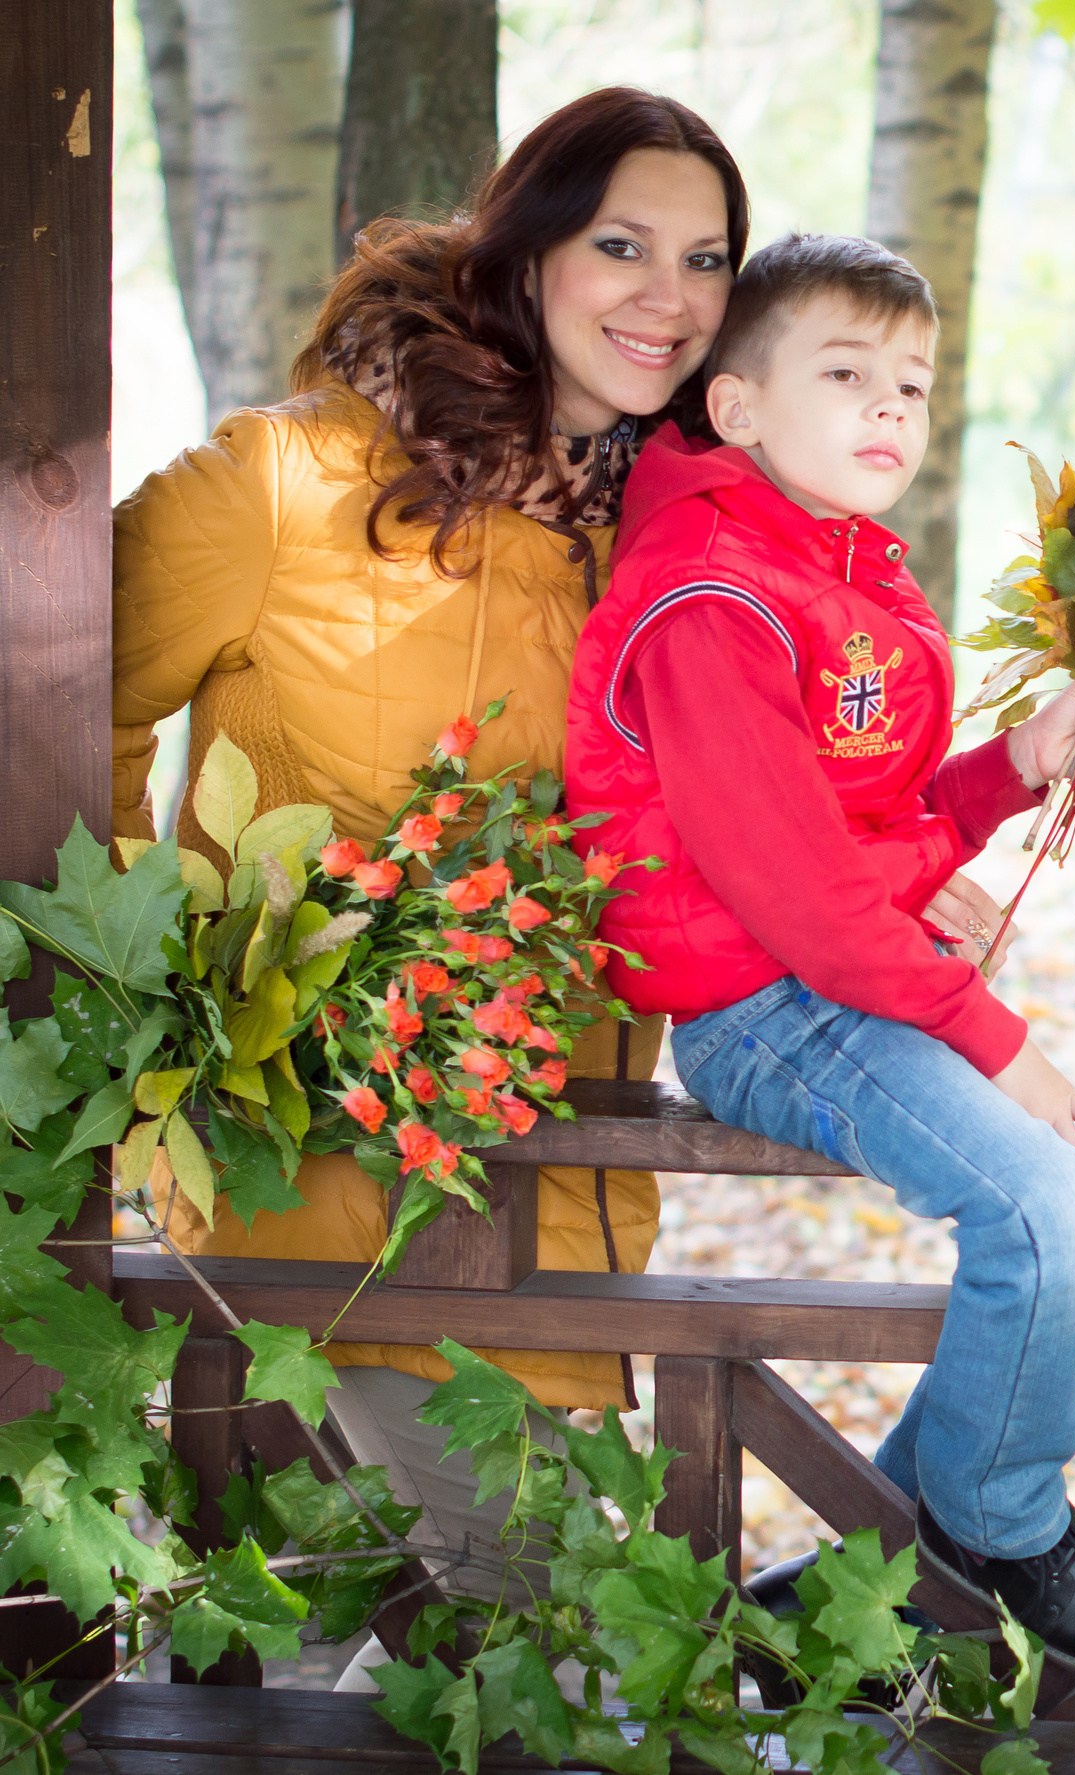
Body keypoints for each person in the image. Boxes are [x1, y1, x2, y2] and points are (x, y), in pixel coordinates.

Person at [110, 88, 772, 1664]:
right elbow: (48, 696)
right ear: (526, 249)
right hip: (306, 1227)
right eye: (622, 244)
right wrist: (180, 978)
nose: (667, 298)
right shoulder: (282, 489)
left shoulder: (673, 557)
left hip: (549, 1219)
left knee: (345, 1694)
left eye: (706, 259)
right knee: (541, 1660)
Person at [562, 233, 1075, 1680]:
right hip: (759, 1005)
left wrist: (1013, 768)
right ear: (735, 409)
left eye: (910, 386)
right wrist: (998, 1040)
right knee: (1053, 1216)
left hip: (819, 979)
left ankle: (882, 1566)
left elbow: (863, 829)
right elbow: (794, 892)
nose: (886, 413)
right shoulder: (714, 596)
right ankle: (999, 1521)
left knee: (1066, 1208)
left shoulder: (837, 571)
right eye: (844, 375)